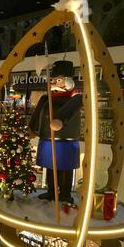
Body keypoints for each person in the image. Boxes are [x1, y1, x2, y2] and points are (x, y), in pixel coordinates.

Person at [28, 60, 82, 204]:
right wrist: (32, 128)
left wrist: (61, 120)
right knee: (51, 167)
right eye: (52, 80)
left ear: (68, 81)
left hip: (66, 140)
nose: (52, 83)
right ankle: (51, 191)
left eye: (57, 80)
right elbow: (38, 113)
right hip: (47, 138)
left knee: (66, 168)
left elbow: (72, 108)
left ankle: (64, 194)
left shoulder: (75, 98)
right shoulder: (46, 98)